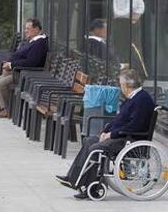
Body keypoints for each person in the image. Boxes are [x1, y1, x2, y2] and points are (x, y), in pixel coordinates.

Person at [55, 69, 155, 200]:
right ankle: (73, 177)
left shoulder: (141, 100)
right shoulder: (133, 98)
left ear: (127, 86)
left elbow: (134, 126)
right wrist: (105, 131)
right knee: (90, 141)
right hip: (121, 135)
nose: (120, 87)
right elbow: (119, 120)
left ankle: (92, 188)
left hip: (130, 139)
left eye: (121, 84)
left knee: (95, 148)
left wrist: (111, 135)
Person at [0, 19, 48, 118]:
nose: (25, 31)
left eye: (28, 28)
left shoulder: (39, 43)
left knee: (1, 83)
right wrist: (9, 64)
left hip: (28, 76)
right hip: (20, 72)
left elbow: (31, 62)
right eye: (25, 28)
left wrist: (11, 65)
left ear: (36, 29)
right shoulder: (33, 41)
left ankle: (7, 110)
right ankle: (4, 108)